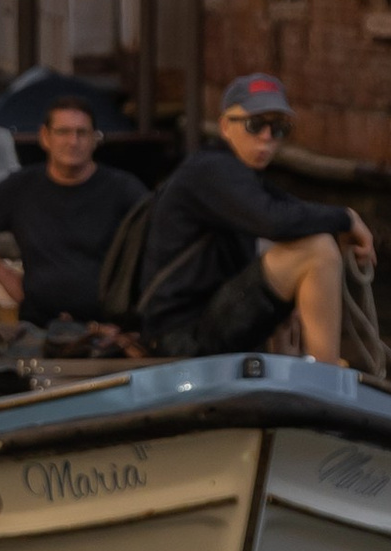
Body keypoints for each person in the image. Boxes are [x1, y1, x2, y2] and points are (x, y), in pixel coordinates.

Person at [136, 71, 377, 365]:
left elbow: (296, 213)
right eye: (255, 125)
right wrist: (347, 218)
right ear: (226, 126)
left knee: (312, 240)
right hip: (180, 337)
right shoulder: (211, 170)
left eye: (277, 128)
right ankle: (326, 374)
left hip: (207, 320)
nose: (266, 137)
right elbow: (276, 221)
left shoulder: (242, 178)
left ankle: (308, 364)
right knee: (317, 250)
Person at [0, 90, 146, 329]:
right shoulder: (21, 187)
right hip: (39, 327)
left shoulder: (124, 189)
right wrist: (5, 276)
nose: (73, 141)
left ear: (95, 139)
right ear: (45, 137)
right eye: (63, 132)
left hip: (109, 329)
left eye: (82, 132)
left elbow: (157, 240)